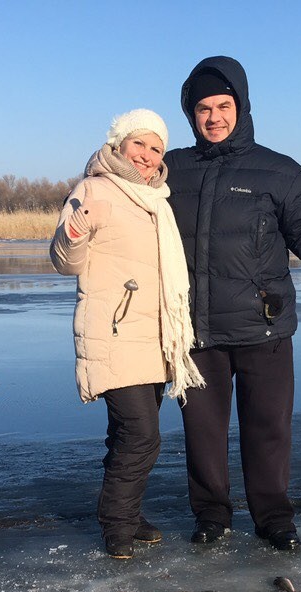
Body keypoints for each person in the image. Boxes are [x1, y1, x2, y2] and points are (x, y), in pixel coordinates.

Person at [166, 56, 301, 552]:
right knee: (202, 433)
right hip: (195, 331)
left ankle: (273, 517)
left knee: (267, 430)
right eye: (202, 108)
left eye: (224, 105)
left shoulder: (279, 172)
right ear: (190, 114)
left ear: (241, 106)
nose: (214, 117)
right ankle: (212, 516)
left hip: (264, 325)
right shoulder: (170, 171)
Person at [50, 109, 204, 560]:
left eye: (156, 148)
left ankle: (130, 514)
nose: (148, 155)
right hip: (115, 330)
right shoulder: (94, 189)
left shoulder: (157, 199)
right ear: (118, 144)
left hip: (155, 336)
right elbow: (66, 261)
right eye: (139, 144)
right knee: (141, 435)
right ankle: (116, 525)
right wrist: (74, 233)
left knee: (126, 434)